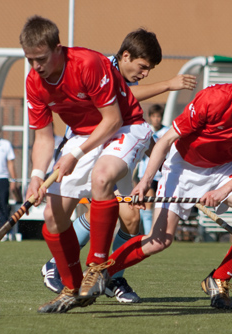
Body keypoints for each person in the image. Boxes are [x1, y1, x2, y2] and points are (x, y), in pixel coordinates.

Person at [80, 48, 232, 311]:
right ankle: (100, 273)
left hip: (224, 169)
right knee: (158, 241)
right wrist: (145, 181)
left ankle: (219, 279)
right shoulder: (213, 98)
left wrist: (222, 191)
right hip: (183, 167)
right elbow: (165, 140)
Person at [40, 29, 197, 304]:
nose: (145, 73)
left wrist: (161, 158)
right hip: (91, 143)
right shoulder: (103, 67)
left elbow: (133, 115)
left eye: (150, 69)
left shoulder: (121, 81)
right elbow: (132, 96)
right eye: (143, 66)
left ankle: (112, 276)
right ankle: (60, 264)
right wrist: (169, 84)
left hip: (120, 142)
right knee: (83, 209)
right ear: (125, 56)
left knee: (132, 219)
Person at [21, 16, 153, 313]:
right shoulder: (34, 83)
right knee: (53, 218)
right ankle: (71, 287)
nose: (36, 66)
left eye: (41, 58)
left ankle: (97, 267)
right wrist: (36, 175)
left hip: (125, 127)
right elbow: (43, 138)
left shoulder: (87, 63)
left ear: (58, 49)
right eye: (30, 59)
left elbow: (113, 119)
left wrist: (74, 155)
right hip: (84, 135)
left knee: (102, 177)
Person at [137, 104, 169, 234]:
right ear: (150, 118)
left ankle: (160, 231)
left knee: (162, 204)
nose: (156, 119)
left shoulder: (167, 131)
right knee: (147, 205)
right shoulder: (146, 131)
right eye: (154, 116)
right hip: (147, 174)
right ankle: (147, 234)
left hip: (163, 174)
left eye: (158, 116)